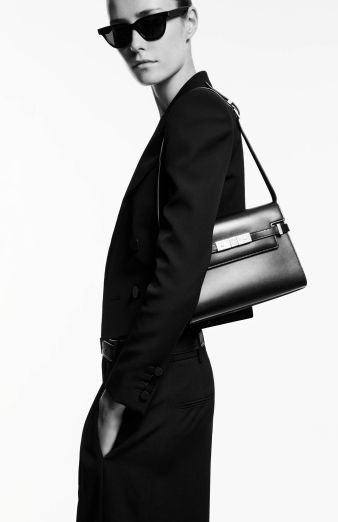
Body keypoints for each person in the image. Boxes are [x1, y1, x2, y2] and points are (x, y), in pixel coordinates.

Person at [76, 1, 253, 520]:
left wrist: (119, 398)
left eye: (151, 24)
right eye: (120, 32)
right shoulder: (182, 119)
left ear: (189, 22)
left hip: (153, 381)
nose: (135, 43)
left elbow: (179, 273)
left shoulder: (198, 116)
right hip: (152, 375)